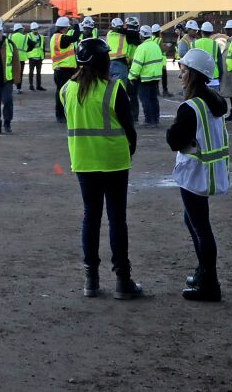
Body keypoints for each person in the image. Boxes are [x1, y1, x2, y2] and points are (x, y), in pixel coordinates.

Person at [61, 36, 143, 299]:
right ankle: (122, 280)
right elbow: (130, 128)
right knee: (117, 219)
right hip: (114, 161)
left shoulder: (67, 89)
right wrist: (129, 148)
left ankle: (91, 280)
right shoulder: (113, 88)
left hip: (84, 161)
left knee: (91, 217)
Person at [168, 46, 231, 302]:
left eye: (183, 70)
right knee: (193, 222)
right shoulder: (214, 100)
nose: (180, 75)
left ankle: (209, 283)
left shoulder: (191, 107)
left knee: (201, 228)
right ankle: (203, 273)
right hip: (209, 172)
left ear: (192, 74)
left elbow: (173, 140)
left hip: (195, 174)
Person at [130, 24, 166, 127]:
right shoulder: (155, 45)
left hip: (145, 78)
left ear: (141, 36)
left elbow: (137, 64)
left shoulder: (142, 48)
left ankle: (149, 120)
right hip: (156, 77)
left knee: (145, 99)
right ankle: (155, 119)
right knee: (153, 98)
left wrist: (132, 77)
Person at [49, 16, 77, 121]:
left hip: (62, 69)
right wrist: (77, 25)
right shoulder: (61, 38)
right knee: (62, 93)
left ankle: (61, 114)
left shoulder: (55, 37)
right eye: (67, 28)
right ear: (64, 28)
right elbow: (74, 37)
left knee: (61, 92)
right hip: (63, 70)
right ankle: (60, 115)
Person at [24, 23, 47, 91]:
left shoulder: (41, 37)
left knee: (38, 72)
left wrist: (43, 56)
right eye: (34, 29)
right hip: (32, 57)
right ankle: (31, 85)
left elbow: (43, 47)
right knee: (31, 72)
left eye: (36, 29)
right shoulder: (28, 36)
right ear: (31, 29)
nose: (35, 30)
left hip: (39, 57)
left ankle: (38, 86)